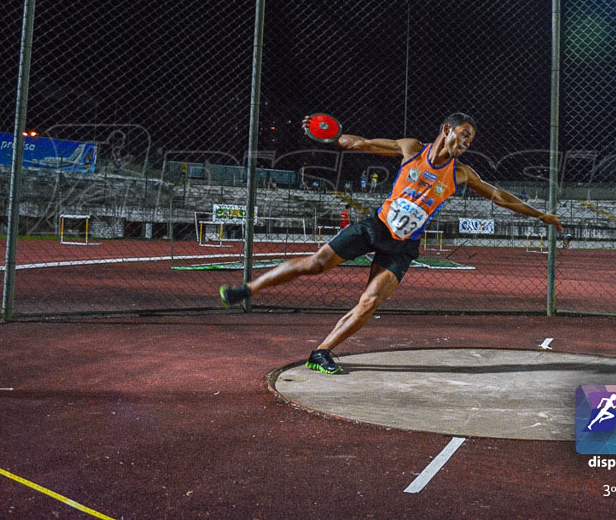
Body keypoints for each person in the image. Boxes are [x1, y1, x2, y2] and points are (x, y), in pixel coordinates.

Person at [219, 112, 564, 374]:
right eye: (464, 134)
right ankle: (248, 289)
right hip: (376, 227)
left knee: (370, 301)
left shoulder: (462, 174)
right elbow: (362, 143)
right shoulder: (412, 149)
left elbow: (500, 197)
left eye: (471, 139)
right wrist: (335, 135)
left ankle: (321, 352)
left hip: (403, 246)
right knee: (314, 265)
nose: (467, 142)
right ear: (447, 130)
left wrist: (542, 216)